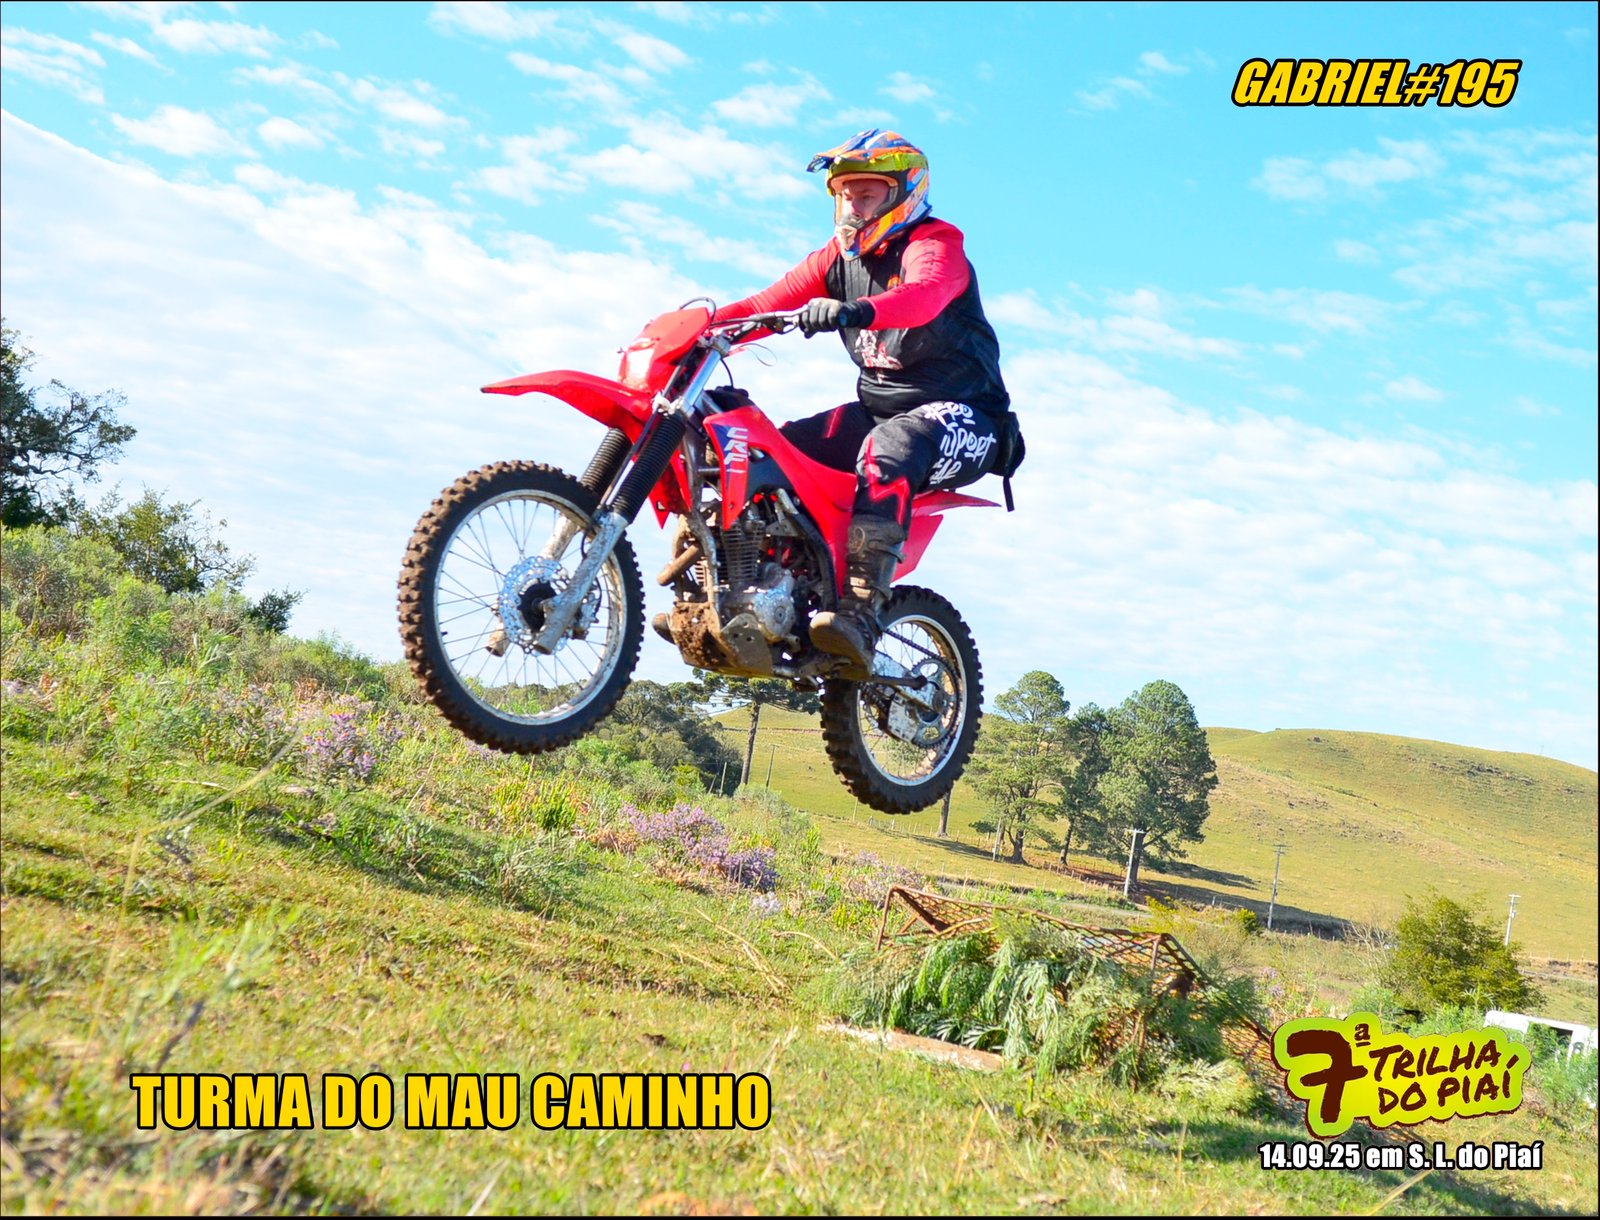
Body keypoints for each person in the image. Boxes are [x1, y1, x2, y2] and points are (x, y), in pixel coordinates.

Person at [713, 129, 1011, 675]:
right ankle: (766, 586)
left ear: (903, 193)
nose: (854, 206)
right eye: (845, 195)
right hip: (877, 410)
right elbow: (762, 305)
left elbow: (924, 294)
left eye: (867, 194)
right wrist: (697, 328)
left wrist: (856, 311)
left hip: (966, 416)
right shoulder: (834, 260)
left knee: (890, 445)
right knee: (771, 452)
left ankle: (859, 611)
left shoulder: (934, 242)